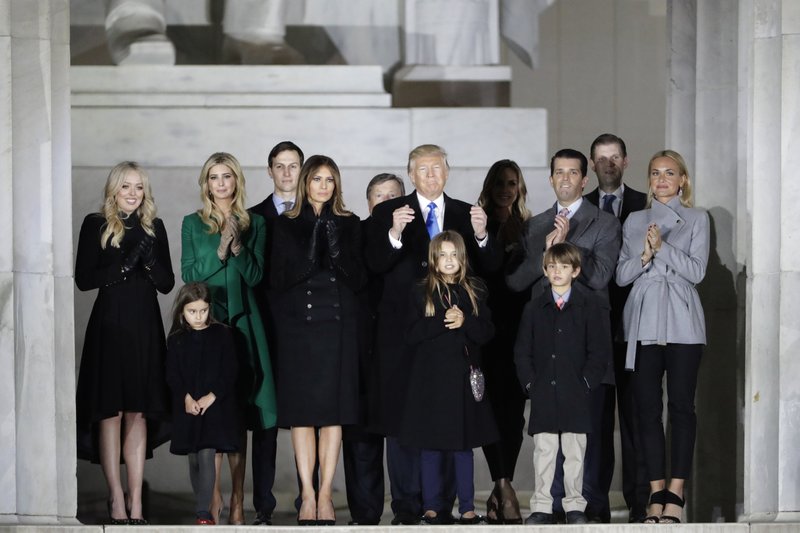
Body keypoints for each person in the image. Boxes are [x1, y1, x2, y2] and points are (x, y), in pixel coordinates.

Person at [365, 144, 502, 525]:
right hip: (404, 335)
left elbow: (489, 269)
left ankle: (445, 504)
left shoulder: (464, 213)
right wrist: (394, 232)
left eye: (437, 168)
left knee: (449, 421)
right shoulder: (388, 213)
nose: (430, 175)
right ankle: (408, 507)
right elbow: (374, 265)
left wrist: (481, 235)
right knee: (404, 422)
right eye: (422, 169)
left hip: (454, 344)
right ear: (410, 174)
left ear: (447, 171)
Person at [506, 148, 620, 523]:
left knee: (587, 438)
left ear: (584, 181)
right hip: (546, 350)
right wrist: (545, 250)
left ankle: (586, 508)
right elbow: (517, 280)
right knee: (546, 440)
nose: (566, 178)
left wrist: (568, 252)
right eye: (560, 172)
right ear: (551, 178)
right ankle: (547, 507)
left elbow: (602, 278)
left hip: (585, 347)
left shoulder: (604, 223)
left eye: (574, 173)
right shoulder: (534, 224)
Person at [75, 161, 174, 525]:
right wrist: (121, 267)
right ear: (113, 190)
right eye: (125, 187)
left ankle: (136, 503)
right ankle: (115, 497)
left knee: (138, 409)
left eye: (138, 187)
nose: (132, 194)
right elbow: (84, 279)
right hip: (110, 325)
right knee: (110, 410)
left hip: (144, 326)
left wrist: (147, 262)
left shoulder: (154, 227)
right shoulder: (94, 224)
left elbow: (166, 283)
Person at [270, 155, 367, 525]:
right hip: (298, 329)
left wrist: (335, 245)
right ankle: (306, 495)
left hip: (338, 326)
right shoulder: (285, 224)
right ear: (305, 182)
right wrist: (314, 242)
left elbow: (358, 278)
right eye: (317, 179)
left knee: (333, 414)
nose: (323, 186)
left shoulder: (350, 223)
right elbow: (280, 278)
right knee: (302, 416)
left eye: (330, 180)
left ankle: (325, 493)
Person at [181, 152, 277, 525]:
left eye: (227, 177)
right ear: (205, 183)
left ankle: (238, 498)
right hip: (206, 322)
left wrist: (236, 248)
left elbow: (254, 276)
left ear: (236, 181)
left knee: (239, 410)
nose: (221, 184)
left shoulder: (254, 222)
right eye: (213, 178)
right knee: (212, 410)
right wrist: (219, 248)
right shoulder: (192, 223)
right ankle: (214, 498)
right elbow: (189, 275)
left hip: (243, 324)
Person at [616, 150, 709, 524]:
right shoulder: (635, 220)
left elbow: (697, 272)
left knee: (682, 408)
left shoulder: (697, 218)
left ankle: (677, 493)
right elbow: (622, 276)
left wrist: (663, 249)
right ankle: (655, 493)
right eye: (655, 173)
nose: (662, 179)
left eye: (670, 173)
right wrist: (643, 255)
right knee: (646, 411)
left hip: (683, 321)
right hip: (643, 319)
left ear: (683, 179)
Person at [401, 231, 498, 525]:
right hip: (430, 381)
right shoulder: (420, 291)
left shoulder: (476, 290)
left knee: (462, 447)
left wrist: (465, 321)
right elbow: (411, 334)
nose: (448, 260)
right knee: (430, 446)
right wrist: (445, 321)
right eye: (442, 255)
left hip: (463, 382)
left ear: (462, 258)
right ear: (433, 258)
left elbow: (486, 333)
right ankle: (431, 506)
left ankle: (467, 507)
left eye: (453, 254)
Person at [513, 242, 610, 525]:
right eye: (552, 267)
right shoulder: (534, 308)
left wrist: (586, 383)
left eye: (564, 267)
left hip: (575, 393)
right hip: (544, 391)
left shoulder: (589, 306)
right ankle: (542, 505)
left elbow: (599, 351)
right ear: (545, 270)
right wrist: (530, 384)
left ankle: (574, 506)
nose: (557, 272)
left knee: (575, 452)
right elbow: (522, 351)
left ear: (576, 271)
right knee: (544, 452)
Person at [584, 133, 649, 522]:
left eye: (614, 157)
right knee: (596, 422)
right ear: (592, 166)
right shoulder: (581, 208)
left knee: (637, 419)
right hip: (594, 331)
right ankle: (596, 506)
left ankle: (640, 503)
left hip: (638, 326)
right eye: (601, 158)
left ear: (625, 162)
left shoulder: (647, 204)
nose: (607, 163)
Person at [342, 172, 406, 525]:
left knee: (402, 438)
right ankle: (364, 515)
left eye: (394, 195)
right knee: (362, 439)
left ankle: (407, 509)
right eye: (379, 196)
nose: (386, 202)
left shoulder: (417, 235)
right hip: (361, 349)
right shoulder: (356, 231)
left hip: (402, 349)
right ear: (369, 203)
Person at [249, 140, 305, 526]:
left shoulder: (316, 214)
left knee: (310, 418)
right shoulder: (252, 217)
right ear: (269, 171)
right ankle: (262, 506)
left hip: (306, 332)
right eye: (280, 166)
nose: (287, 173)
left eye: (294, 166)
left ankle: (311, 498)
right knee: (265, 421)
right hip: (265, 328)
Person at [474, 159, 531, 524]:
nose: (505, 189)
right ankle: (502, 486)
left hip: (520, 336)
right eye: (499, 183)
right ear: (489, 187)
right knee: (488, 414)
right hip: (485, 334)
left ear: (519, 188)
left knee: (513, 417)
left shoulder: (529, 228)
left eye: (511, 183)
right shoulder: (475, 226)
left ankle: (503, 487)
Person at [166, 282, 241, 526]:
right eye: (192, 312)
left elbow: (231, 370)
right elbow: (172, 374)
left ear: (210, 309)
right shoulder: (177, 339)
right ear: (182, 312)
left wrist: (212, 396)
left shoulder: (223, 334)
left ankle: (203, 513)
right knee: (194, 457)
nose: (198, 317)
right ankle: (202, 509)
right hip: (189, 407)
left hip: (214, 407)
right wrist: (186, 398)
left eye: (203, 310)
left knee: (208, 453)